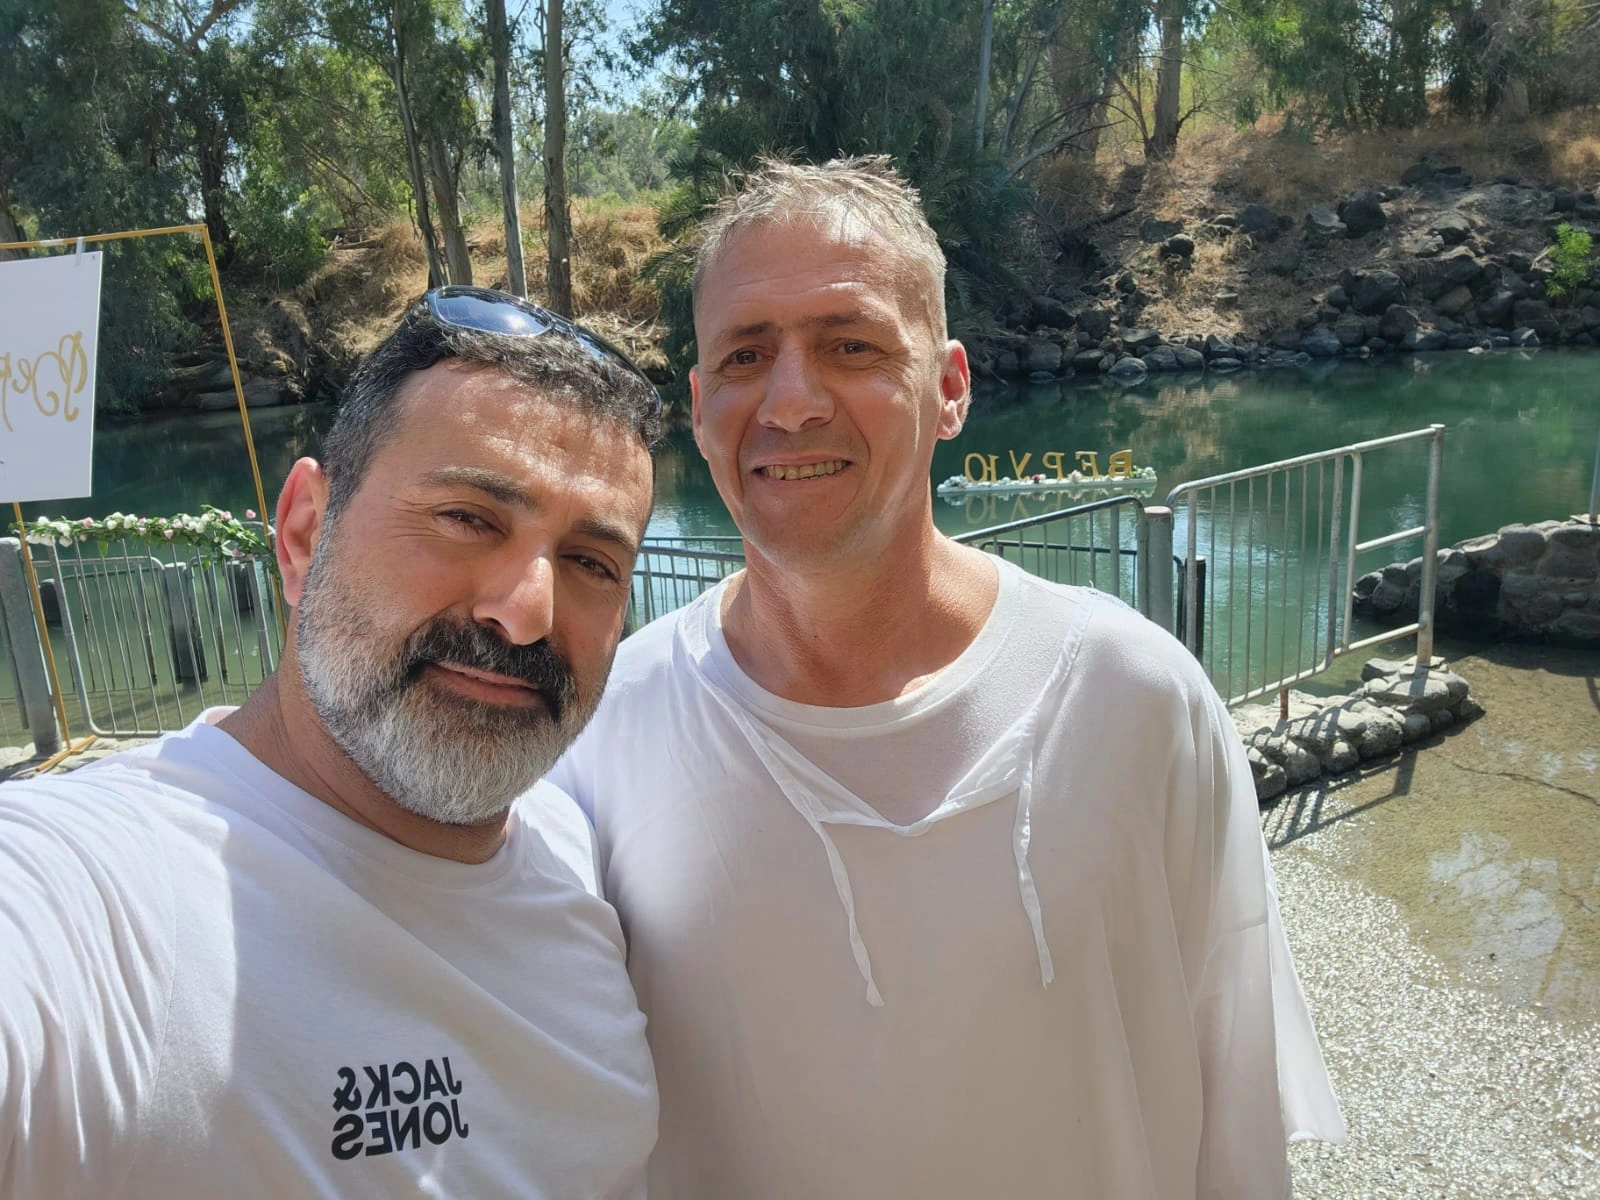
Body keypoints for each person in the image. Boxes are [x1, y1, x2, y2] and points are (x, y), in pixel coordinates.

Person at [551, 159, 1347, 1198]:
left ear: (951, 387)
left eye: (852, 345)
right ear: (699, 410)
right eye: (747, 356)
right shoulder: (601, 733)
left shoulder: (1137, 698)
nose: (790, 402)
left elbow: (1234, 1111)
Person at [0, 287, 661, 1199]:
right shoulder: (92, 901)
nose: (525, 615)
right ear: (305, 532)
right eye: (468, 518)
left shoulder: (577, 848)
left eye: (592, 563)